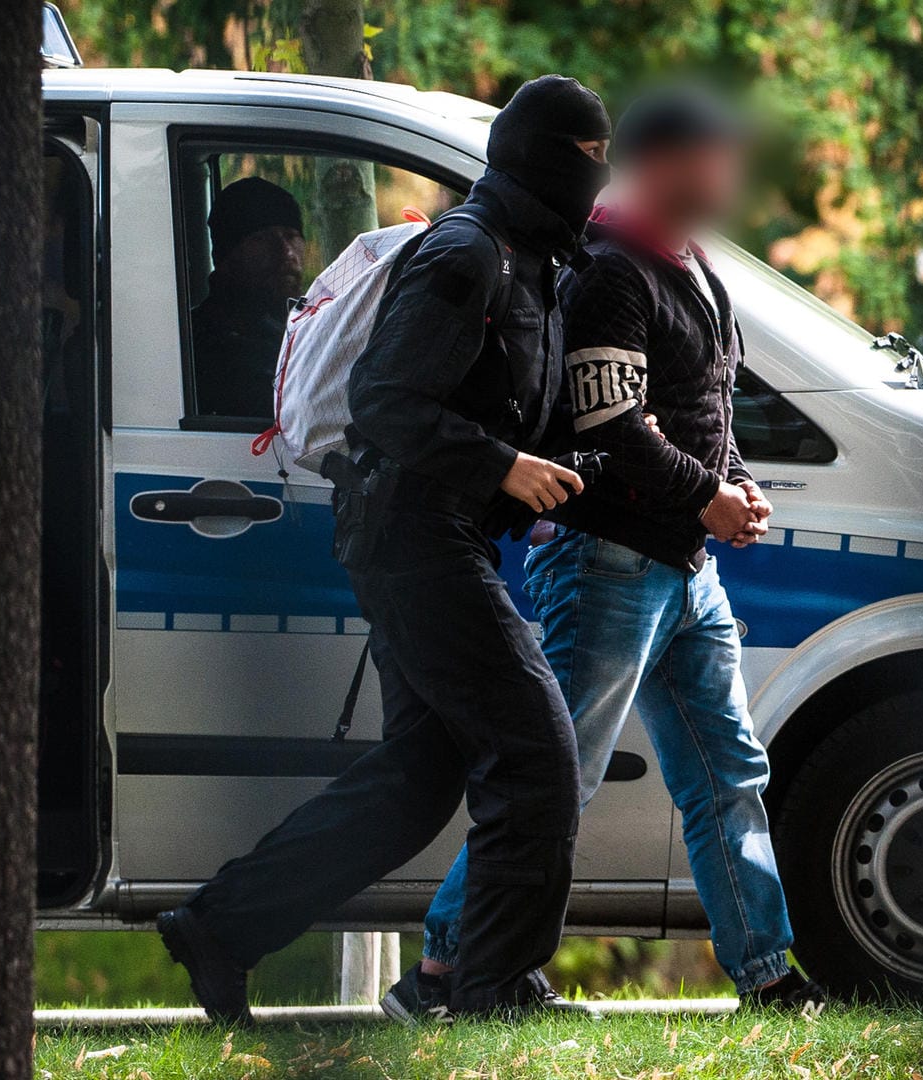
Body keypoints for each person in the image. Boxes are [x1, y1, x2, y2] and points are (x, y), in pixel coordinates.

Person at [155, 75, 614, 1022]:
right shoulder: (466, 255)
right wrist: (503, 468)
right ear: (538, 158)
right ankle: (494, 987)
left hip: (439, 536)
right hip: (413, 535)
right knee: (536, 750)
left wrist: (552, 469)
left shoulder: (532, 261)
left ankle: (219, 929)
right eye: (585, 156)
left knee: (417, 782)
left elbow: (501, 403)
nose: (598, 176)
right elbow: (386, 404)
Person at [379, 85, 824, 1023]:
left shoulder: (694, 263)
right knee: (554, 775)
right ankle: (444, 969)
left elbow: (709, 402)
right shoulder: (613, 267)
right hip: (606, 562)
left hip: (685, 570)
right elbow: (611, 419)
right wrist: (706, 496)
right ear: (666, 164)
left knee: (727, 771)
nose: (731, 176)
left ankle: (768, 972)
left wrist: (734, 487)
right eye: (717, 157)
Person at [191, 177, 306, 418]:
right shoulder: (201, 344)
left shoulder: (310, 324)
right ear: (225, 255)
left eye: (291, 235)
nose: (286, 252)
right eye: (262, 238)